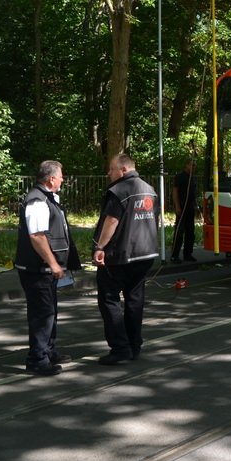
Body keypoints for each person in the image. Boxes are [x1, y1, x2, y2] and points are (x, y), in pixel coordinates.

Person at [92, 153, 159, 365]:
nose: (108, 173)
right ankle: (134, 344)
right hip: (145, 253)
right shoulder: (150, 189)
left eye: (111, 169)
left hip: (120, 255)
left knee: (109, 299)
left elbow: (111, 221)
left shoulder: (119, 191)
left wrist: (100, 246)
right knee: (134, 299)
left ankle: (120, 347)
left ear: (123, 170)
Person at [14, 160, 79, 376]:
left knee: (49, 311)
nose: (63, 179)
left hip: (45, 269)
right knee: (42, 314)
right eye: (61, 176)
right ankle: (37, 359)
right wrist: (53, 264)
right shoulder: (37, 200)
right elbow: (37, 235)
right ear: (51, 179)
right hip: (37, 269)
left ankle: (48, 351)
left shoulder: (48, 198)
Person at [171, 158, 198, 263]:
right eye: (192, 165)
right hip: (182, 206)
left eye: (194, 166)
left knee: (190, 231)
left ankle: (188, 254)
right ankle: (174, 255)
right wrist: (177, 206)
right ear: (186, 165)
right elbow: (175, 192)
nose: (193, 168)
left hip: (190, 207)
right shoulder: (180, 177)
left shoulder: (193, 178)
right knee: (179, 231)